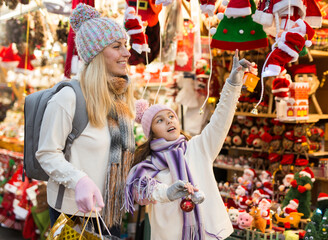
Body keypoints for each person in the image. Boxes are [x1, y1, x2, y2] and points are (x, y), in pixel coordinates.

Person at [124, 51, 252, 239]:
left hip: (208, 234)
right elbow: (141, 192)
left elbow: (221, 118)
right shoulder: (148, 165)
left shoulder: (198, 147)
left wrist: (233, 84)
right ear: (151, 134)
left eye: (171, 116)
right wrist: (168, 192)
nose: (169, 121)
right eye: (159, 120)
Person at [35, 3, 134, 235]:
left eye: (126, 45)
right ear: (97, 54)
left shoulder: (118, 98)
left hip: (110, 210)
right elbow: (47, 153)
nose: (127, 53)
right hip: (72, 213)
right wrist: (79, 180)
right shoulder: (69, 97)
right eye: (117, 46)